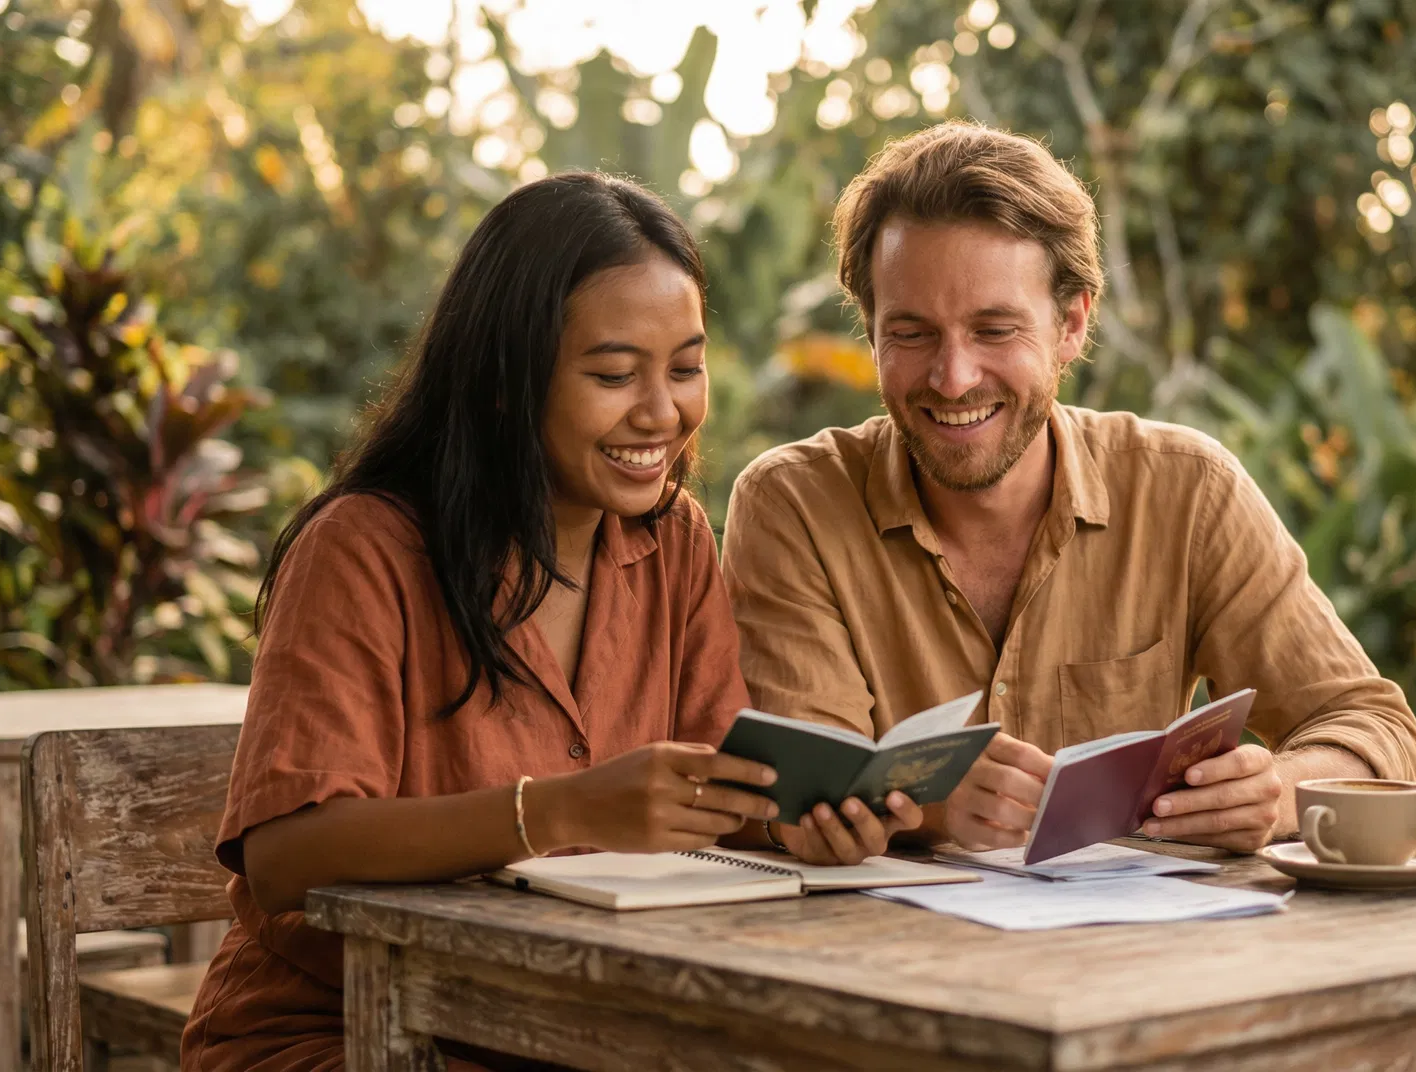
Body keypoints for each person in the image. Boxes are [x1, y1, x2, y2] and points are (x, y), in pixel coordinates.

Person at [182, 173, 894, 1072]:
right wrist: (554, 811)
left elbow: (719, 789)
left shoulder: (671, 540)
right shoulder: (364, 548)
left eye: (684, 368)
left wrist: (810, 820)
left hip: (575, 1026)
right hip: (350, 1033)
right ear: (505, 381)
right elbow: (288, 854)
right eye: (612, 374)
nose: (661, 412)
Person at [721, 122, 1416, 859]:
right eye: (911, 333)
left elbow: (1375, 729)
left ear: (1071, 324)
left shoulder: (1188, 491)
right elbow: (808, 795)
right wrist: (930, 805)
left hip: (1138, 957)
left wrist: (1273, 792)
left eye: (995, 330)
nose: (954, 377)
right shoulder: (794, 505)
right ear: (870, 332)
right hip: (888, 959)